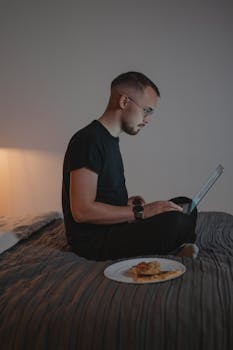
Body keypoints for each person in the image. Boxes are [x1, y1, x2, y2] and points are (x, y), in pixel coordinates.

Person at [62, 71, 198, 261]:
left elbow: (99, 195)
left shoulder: (110, 140)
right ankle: (175, 244)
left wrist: (125, 204)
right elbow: (82, 211)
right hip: (94, 242)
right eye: (147, 110)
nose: (148, 119)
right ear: (124, 102)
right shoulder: (87, 140)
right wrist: (141, 212)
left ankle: (176, 244)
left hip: (115, 229)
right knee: (174, 221)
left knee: (184, 204)